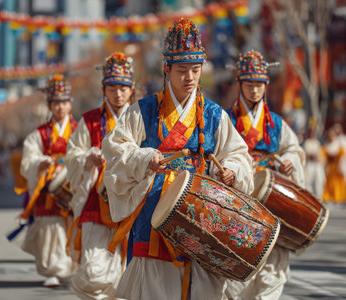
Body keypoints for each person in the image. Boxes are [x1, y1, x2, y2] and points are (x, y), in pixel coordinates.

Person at [101, 18, 253, 300]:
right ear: (167, 69)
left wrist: (233, 171)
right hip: (155, 213)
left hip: (201, 213)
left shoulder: (213, 114)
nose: (190, 77)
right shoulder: (143, 111)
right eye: (182, 70)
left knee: (205, 288)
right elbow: (114, 148)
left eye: (196, 70)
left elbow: (237, 154)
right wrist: (145, 158)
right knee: (156, 289)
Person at [224, 50, 305, 300]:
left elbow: (293, 148)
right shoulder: (227, 120)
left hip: (272, 202)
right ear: (240, 84)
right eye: (249, 84)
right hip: (240, 201)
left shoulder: (276, 124)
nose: (255, 90)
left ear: (265, 86)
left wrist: (291, 161)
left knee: (271, 272)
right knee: (237, 269)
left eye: (259, 84)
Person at [65, 52, 134, 299]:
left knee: (128, 272)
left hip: (131, 204)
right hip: (97, 202)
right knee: (94, 270)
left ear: (131, 89)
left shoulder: (140, 118)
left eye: (123, 88)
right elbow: (72, 154)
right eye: (112, 88)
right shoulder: (90, 120)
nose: (118, 94)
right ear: (104, 89)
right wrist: (86, 159)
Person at [19, 74, 77, 287]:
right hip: (47, 190)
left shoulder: (80, 130)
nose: (60, 108)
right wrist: (39, 164)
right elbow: (29, 158)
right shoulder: (40, 134)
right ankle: (52, 270)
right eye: (56, 103)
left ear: (70, 104)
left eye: (64, 103)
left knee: (70, 227)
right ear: (50, 106)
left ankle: (68, 268)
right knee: (50, 230)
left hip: (71, 187)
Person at [321, 127, 346, 206]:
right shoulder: (326, 146)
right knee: (328, 183)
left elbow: (342, 156)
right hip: (329, 167)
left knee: (337, 183)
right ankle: (329, 197)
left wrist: (341, 166)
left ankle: (337, 198)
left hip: (337, 167)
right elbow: (324, 156)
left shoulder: (338, 146)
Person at [303, 124, 326, 199]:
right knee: (309, 182)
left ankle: (319, 198)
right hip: (310, 165)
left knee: (319, 181)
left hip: (317, 165)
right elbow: (308, 154)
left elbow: (320, 154)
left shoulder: (317, 142)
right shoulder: (307, 142)